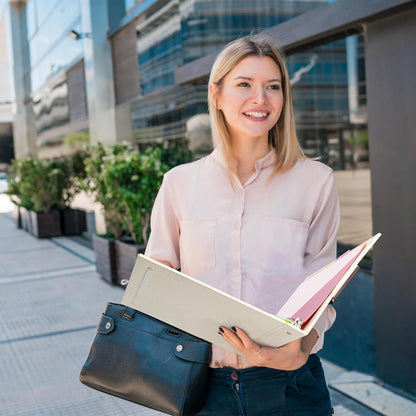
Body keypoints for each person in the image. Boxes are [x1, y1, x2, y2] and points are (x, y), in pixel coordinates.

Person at [145, 34, 339, 416]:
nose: (260, 100)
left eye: (273, 87)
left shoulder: (316, 181)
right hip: (203, 386)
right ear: (216, 95)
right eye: (244, 85)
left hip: (292, 386)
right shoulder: (179, 183)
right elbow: (157, 282)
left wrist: (300, 349)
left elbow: (323, 292)